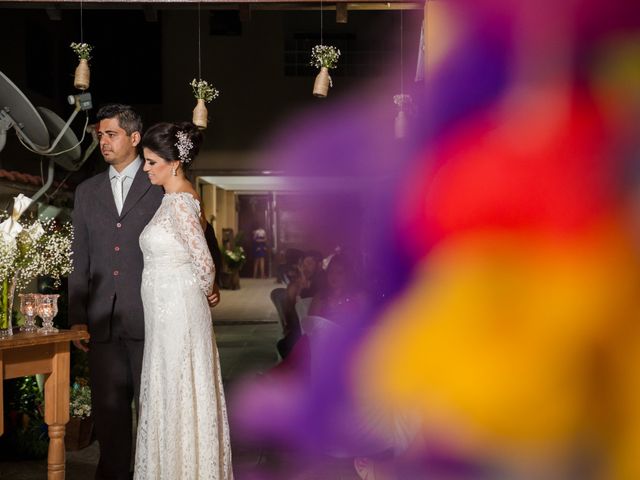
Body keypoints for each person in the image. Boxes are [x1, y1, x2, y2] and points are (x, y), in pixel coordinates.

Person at [68, 105, 221, 480]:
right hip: (102, 322)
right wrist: (77, 317)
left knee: (158, 409)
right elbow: (79, 258)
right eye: (98, 135)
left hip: (155, 319)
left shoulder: (161, 182)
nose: (102, 141)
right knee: (110, 414)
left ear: (134, 138)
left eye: (111, 134)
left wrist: (209, 287)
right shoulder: (87, 192)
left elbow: (201, 239)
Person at [133, 121, 232, 479]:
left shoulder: (179, 203)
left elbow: (204, 261)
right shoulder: (175, 199)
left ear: (174, 163)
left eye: (151, 162)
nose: (145, 168)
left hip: (178, 312)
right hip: (166, 312)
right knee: (172, 388)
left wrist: (205, 290)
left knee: (179, 386)